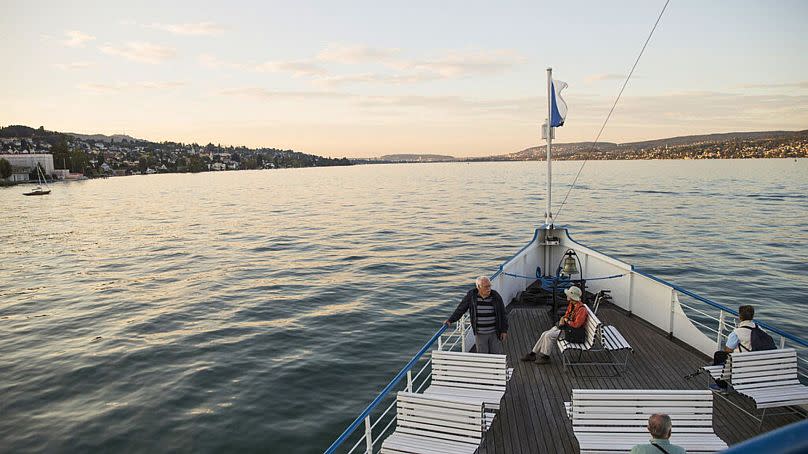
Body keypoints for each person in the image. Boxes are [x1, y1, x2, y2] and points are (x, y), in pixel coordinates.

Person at [521, 285, 587, 364]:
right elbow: (567, 315)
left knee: (549, 335)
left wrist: (566, 320)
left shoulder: (581, 310)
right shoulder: (572, 304)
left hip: (572, 333)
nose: (567, 296)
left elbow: (576, 325)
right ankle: (533, 354)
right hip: (567, 328)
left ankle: (545, 357)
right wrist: (563, 319)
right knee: (544, 333)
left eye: (568, 295)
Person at [444, 276, 508, 354]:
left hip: (495, 332)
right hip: (480, 333)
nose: (489, 289)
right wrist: (450, 320)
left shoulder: (495, 296)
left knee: (496, 354)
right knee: (483, 356)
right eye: (486, 287)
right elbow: (461, 309)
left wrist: (504, 330)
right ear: (478, 287)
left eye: (489, 286)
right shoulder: (471, 296)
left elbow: (503, 313)